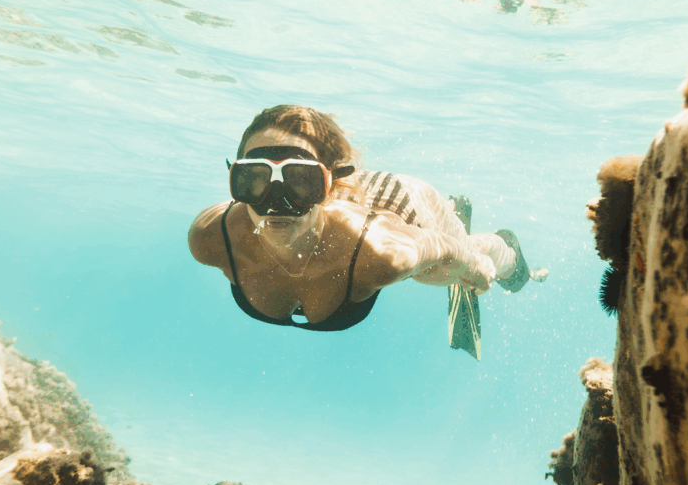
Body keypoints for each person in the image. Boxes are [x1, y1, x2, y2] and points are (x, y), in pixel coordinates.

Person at [188, 105, 545, 334]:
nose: (275, 203)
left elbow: (447, 249)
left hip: (400, 205)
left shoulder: (384, 252)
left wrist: (475, 264)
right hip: (346, 202)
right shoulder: (210, 237)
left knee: (444, 271)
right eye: (255, 180)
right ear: (237, 179)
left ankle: (507, 253)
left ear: (329, 185)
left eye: (301, 182)